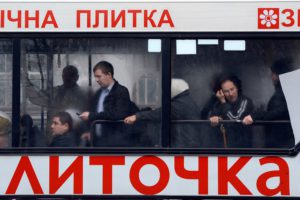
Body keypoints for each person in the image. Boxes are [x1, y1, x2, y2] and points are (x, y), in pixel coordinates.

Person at [124, 78, 202, 147]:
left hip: (184, 144)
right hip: (189, 142)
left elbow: (159, 114)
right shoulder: (186, 100)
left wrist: (137, 116)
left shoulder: (179, 104)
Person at [243, 58, 295, 148]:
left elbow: (278, 112)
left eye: (273, 74)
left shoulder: (286, 92)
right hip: (281, 141)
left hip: (282, 143)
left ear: (279, 75)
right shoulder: (286, 90)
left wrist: (255, 116)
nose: (272, 77)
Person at [80, 61, 132, 147]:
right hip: (97, 141)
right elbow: (95, 111)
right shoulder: (98, 93)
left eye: (99, 76)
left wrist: (91, 116)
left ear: (109, 74)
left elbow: (118, 114)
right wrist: (90, 132)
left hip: (114, 142)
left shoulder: (121, 91)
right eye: (95, 77)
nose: (96, 80)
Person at [209, 73, 254, 148]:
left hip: (242, 148)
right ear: (221, 92)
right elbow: (209, 118)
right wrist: (213, 121)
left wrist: (223, 103)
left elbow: (234, 119)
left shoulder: (245, 101)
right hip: (222, 147)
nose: (230, 94)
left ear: (237, 88)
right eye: (226, 91)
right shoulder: (218, 104)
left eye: (232, 89)